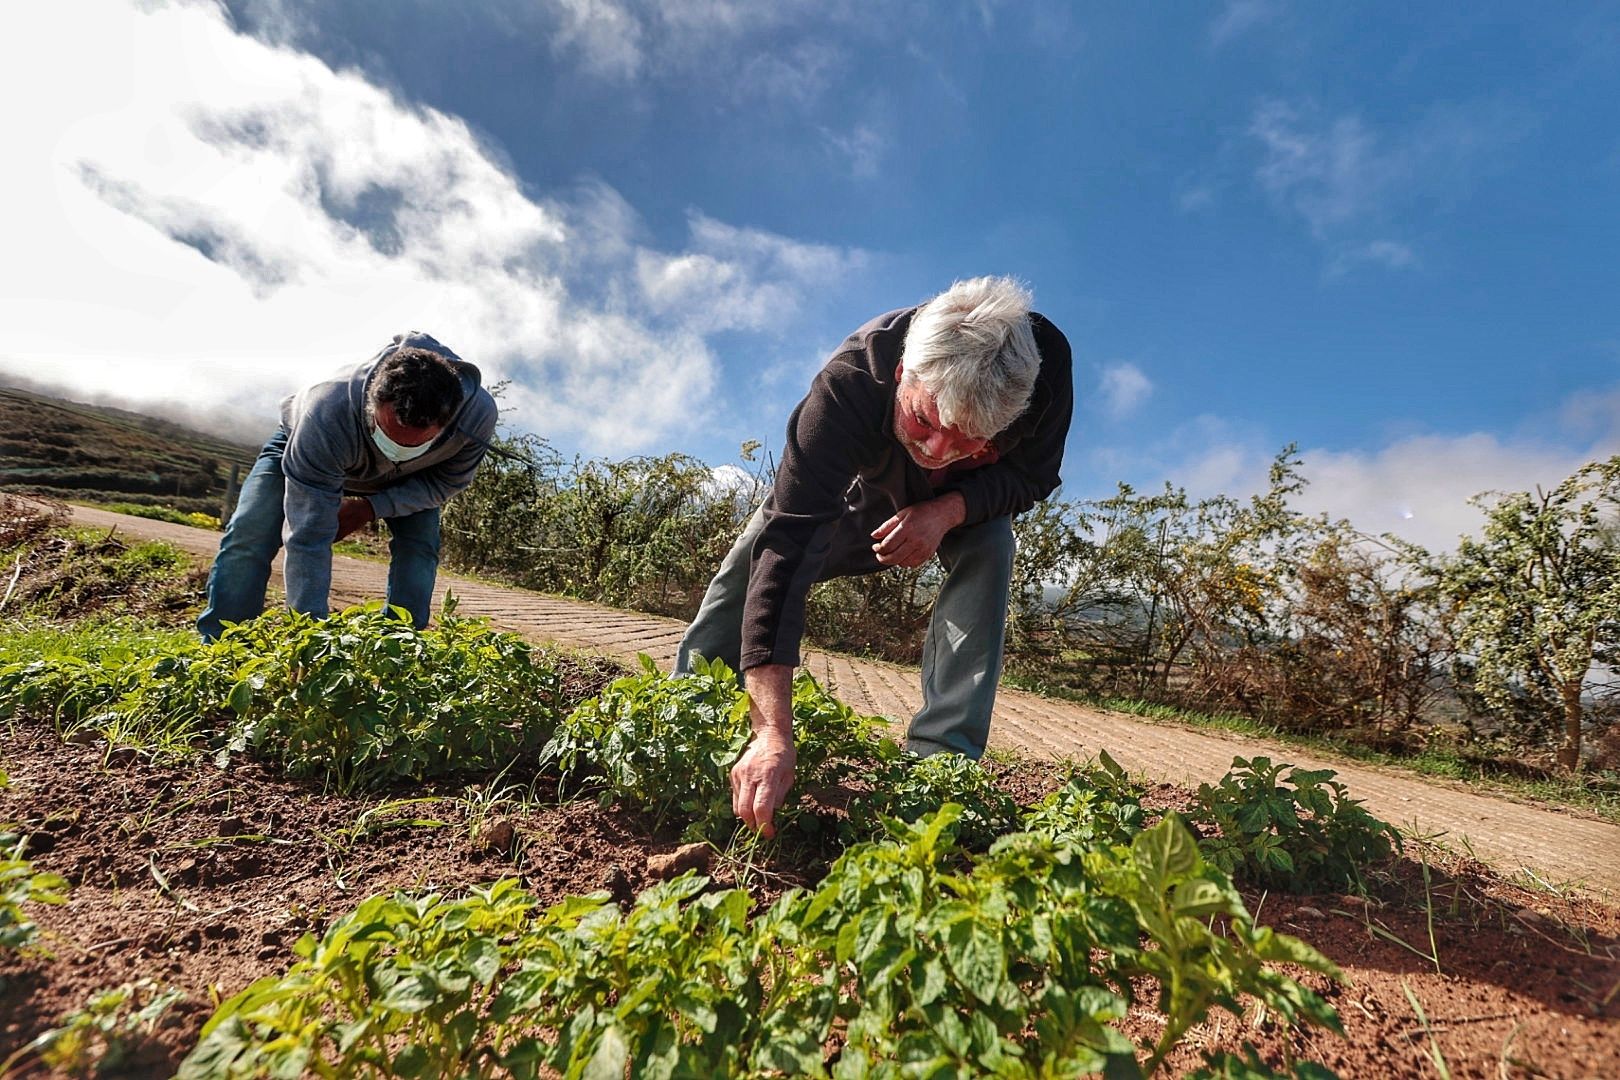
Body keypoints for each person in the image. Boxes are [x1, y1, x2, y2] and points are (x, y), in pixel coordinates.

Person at [676, 277, 1073, 836]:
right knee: (762, 546)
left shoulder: (1046, 371)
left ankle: (941, 766)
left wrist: (949, 509)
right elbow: (790, 544)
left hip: (967, 503)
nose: (937, 454)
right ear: (900, 373)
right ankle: (684, 703)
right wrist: (774, 731)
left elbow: (1035, 475)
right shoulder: (849, 382)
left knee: (990, 544)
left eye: (968, 441)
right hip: (869, 490)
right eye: (925, 422)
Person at [197, 332, 499, 641]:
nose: (394, 449)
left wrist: (371, 508)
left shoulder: (476, 417)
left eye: (413, 444)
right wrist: (312, 638)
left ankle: (399, 649)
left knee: (420, 546)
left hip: (413, 476)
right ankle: (222, 648)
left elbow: (446, 482)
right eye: (388, 434)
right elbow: (308, 537)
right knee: (251, 533)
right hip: (308, 448)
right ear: (372, 404)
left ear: (448, 424)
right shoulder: (327, 410)